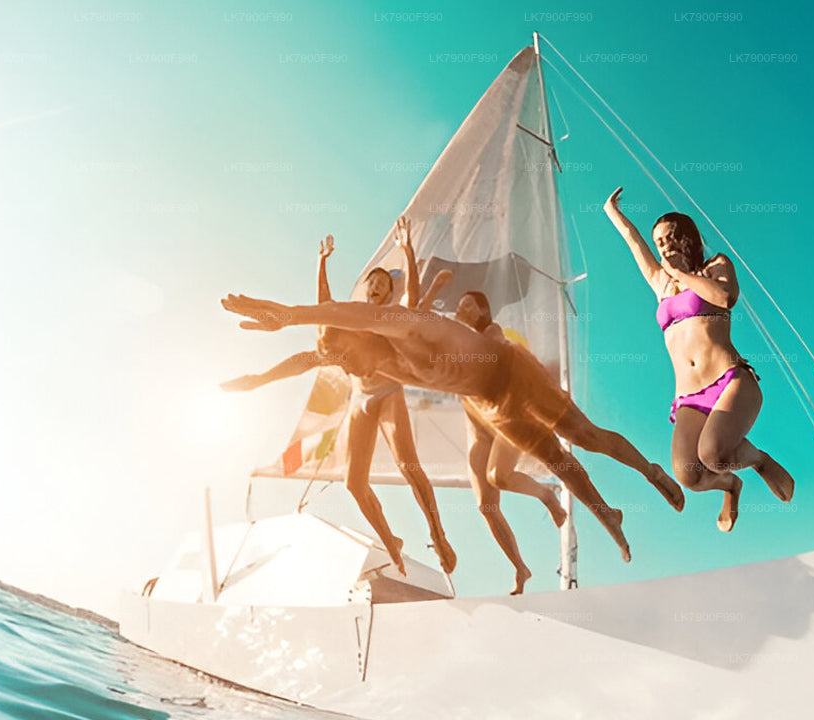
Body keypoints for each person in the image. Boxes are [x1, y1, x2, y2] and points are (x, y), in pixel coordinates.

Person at [220, 290, 685, 563]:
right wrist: (260, 379)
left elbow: (355, 314)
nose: (349, 370)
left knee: (584, 436)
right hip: (487, 401)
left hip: (510, 371)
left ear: (363, 338)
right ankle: (608, 515)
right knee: (556, 461)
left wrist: (293, 314)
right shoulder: (366, 361)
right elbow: (310, 358)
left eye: (348, 357)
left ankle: (649, 471)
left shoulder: (406, 326)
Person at [221, 220, 456, 577]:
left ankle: (438, 534)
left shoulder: (389, 318)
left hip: (388, 392)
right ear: (365, 288)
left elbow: (413, 299)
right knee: (354, 484)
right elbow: (312, 339)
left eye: (383, 284)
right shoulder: (341, 330)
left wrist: (408, 251)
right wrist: (259, 380)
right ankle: (392, 543)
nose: (377, 286)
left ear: (388, 294)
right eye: (373, 282)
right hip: (362, 399)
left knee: (409, 466)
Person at [603, 187, 794, 532]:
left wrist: (681, 274)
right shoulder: (660, 283)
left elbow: (725, 298)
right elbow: (633, 242)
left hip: (729, 380)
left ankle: (758, 460)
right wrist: (611, 211)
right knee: (689, 475)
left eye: (670, 238)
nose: (664, 247)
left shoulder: (715, 266)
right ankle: (730, 486)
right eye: (659, 242)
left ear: (688, 239)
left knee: (714, 455)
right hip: (689, 396)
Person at [455, 290, 566, 594]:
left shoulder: (491, 331)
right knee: (486, 506)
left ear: (482, 310)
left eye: (468, 305)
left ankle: (546, 495)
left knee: (500, 477)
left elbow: (488, 357)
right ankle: (520, 568)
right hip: (477, 431)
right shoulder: (455, 340)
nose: (462, 309)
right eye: (460, 306)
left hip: (506, 421)